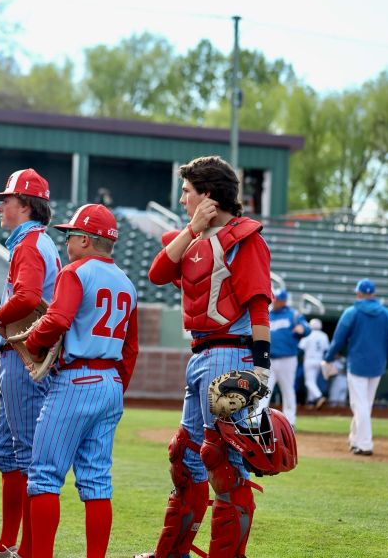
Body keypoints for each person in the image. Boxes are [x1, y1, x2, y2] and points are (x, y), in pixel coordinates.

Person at [137, 155, 272, 558]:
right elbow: (158, 273)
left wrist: (261, 367)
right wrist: (193, 229)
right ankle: (170, 553)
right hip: (201, 355)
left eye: (187, 191)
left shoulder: (245, 238)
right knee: (186, 456)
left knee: (222, 462)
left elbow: (259, 305)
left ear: (208, 194)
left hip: (231, 352)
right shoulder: (192, 238)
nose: (181, 199)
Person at [23, 204, 139, 558]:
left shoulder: (75, 272)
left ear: (87, 240)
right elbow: (131, 348)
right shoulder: (127, 283)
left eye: (71, 234)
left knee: (44, 477)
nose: (68, 240)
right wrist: (117, 386)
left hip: (76, 379)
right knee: (97, 482)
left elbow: (57, 320)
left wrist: (32, 342)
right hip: (110, 382)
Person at [0, 168, 62, 558]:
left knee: (28, 455)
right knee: (9, 452)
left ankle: (27, 549)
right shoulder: (38, 242)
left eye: (7, 200)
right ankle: (7, 544)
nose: (1, 207)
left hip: (25, 357)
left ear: (26, 206)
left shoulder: (29, 244)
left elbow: (28, 297)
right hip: (26, 355)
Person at [323, 278, 388, 456]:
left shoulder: (352, 312)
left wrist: (328, 357)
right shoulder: (386, 314)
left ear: (358, 293)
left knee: (359, 404)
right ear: (373, 294)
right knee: (365, 404)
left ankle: (365, 444)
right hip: (378, 364)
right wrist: (383, 357)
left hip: (357, 363)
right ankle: (355, 438)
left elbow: (338, 339)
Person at [260, 290, 309, 426]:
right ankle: (259, 420)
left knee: (288, 390)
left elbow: (306, 327)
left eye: (277, 300)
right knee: (264, 390)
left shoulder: (293, 315)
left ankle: (290, 421)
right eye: (274, 299)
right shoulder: (267, 313)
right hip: (268, 359)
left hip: (288, 359)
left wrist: (303, 329)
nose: (275, 302)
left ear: (283, 301)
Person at [299, 318, 330, 409]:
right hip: (320, 360)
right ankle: (311, 402)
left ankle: (319, 396)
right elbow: (326, 349)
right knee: (313, 381)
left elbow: (301, 348)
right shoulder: (324, 335)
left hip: (309, 359)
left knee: (309, 382)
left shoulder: (308, 334)